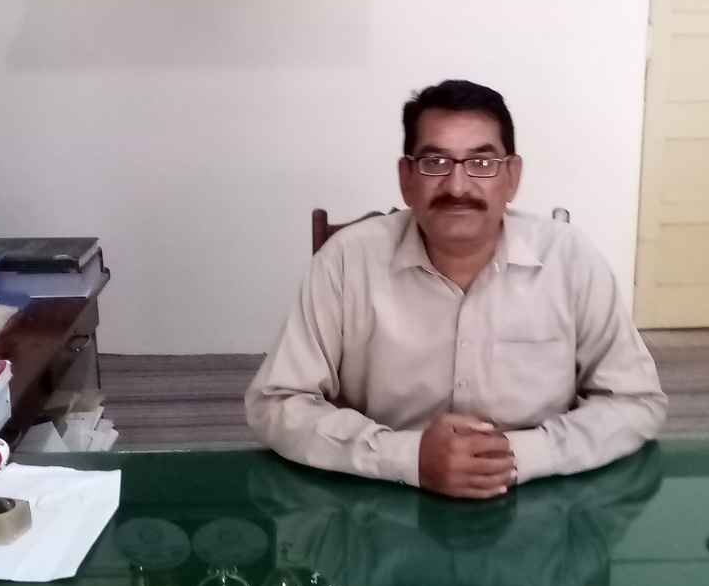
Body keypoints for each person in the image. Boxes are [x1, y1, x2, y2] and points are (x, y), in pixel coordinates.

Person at [245, 79, 667, 497]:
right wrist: (408, 457)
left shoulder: (569, 259)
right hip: (380, 496)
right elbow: (276, 404)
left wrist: (521, 455)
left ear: (512, 176)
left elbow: (635, 401)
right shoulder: (346, 261)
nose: (458, 187)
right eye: (435, 162)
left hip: (542, 495)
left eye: (482, 163)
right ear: (406, 178)